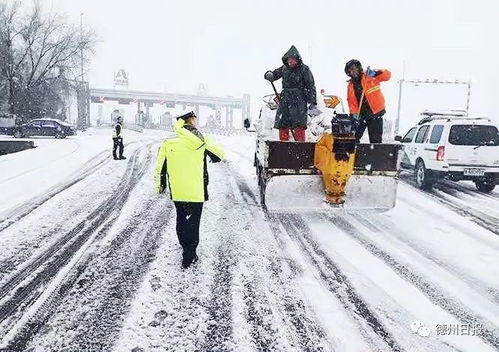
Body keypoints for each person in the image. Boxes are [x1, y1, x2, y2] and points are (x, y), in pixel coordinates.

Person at [155, 111, 224, 269]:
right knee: (193, 222)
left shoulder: (169, 141)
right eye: (195, 118)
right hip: (196, 189)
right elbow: (219, 155)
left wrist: (160, 185)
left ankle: (185, 246)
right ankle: (189, 254)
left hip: (178, 190)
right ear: (190, 120)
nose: (196, 121)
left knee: (181, 219)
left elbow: (160, 167)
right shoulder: (201, 139)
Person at [264, 45, 317, 142]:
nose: (290, 61)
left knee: (299, 125)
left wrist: (312, 101)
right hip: (285, 99)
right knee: (283, 123)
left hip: (299, 100)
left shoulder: (304, 69)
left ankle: (300, 147)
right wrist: (270, 75)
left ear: (297, 59)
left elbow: (310, 85)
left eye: (292, 59)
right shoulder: (284, 68)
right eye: (289, 59)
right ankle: (283, 146)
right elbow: (275, 74)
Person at [345, 59, 391, 143]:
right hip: (361, 115)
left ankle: (374, 154)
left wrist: (376, 73)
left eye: (353, 68)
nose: (352, 72)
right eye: (350, 70)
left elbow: (387, 75)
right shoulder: (351, 85)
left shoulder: (370, 76)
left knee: (375, 141)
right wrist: (353, 116)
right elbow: (352, 102)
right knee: (353, 138)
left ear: (359, 68)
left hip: (375, 113)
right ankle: (355, 153)